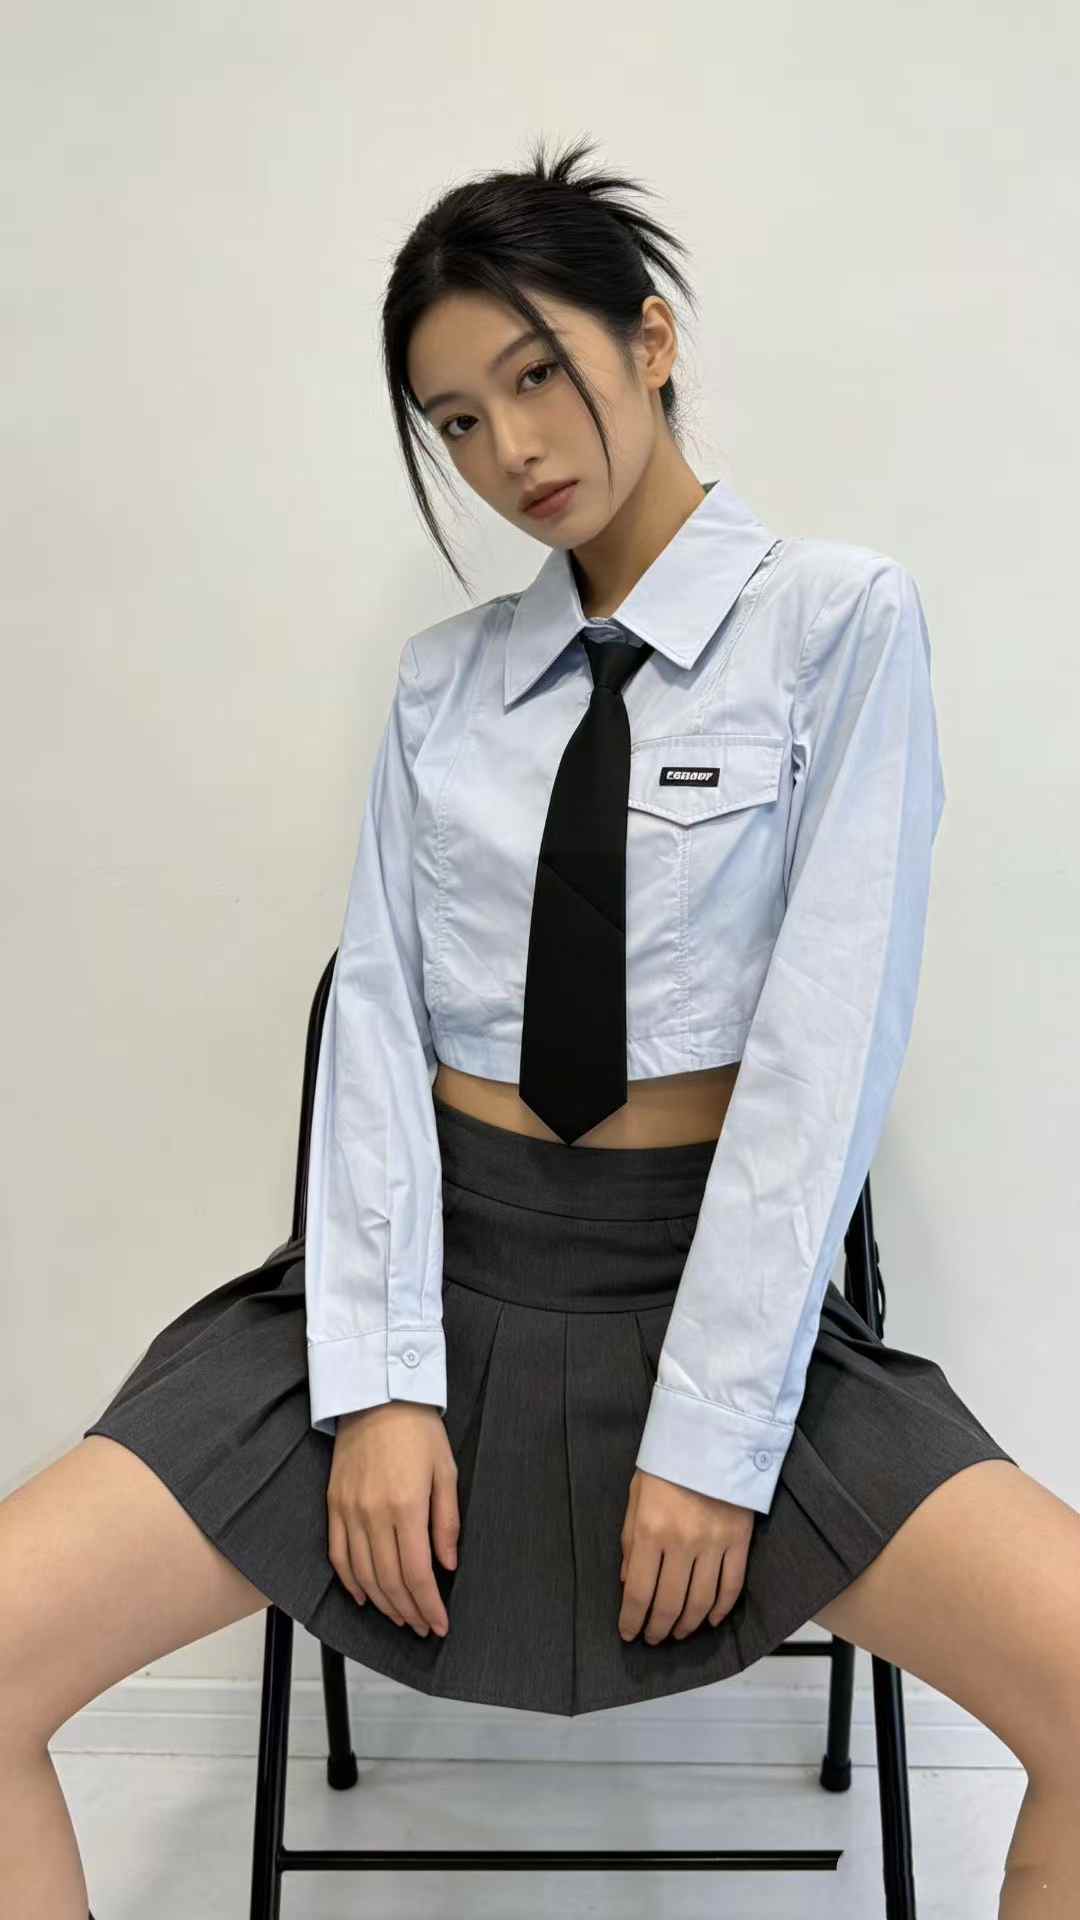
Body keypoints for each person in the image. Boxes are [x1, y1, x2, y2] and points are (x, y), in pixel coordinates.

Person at [3, 134, 1079, 1918]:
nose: (509, 451)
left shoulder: (838, 629)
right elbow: (376, 1031)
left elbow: (823, 1058)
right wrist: (380, 1385)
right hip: (427, 1264)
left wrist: (714, 1438)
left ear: (648, 341)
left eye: (535, 375)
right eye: (455, 420)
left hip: (713, 1288)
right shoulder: (445, 686)